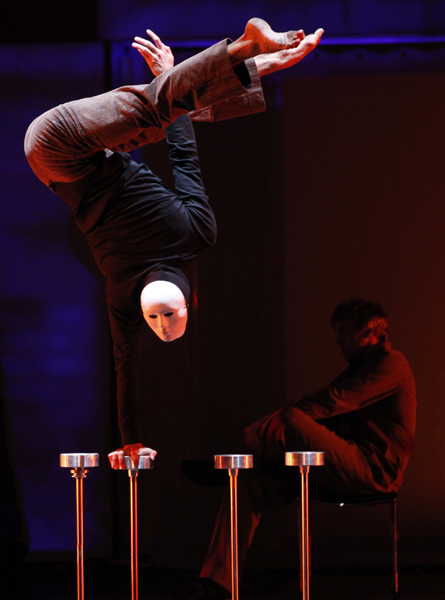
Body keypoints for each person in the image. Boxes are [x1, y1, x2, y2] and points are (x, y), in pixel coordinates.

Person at [24, 19, 324, 468]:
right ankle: (262, 57)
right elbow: (183, 150)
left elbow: (128, 369)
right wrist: (132, 441)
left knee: (160, 106)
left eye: (156, 318)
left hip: (59, 149)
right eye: (169, 316)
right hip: (78, 155)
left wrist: (131, 440)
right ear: (191, 300)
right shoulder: (193, 234)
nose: (160, 323)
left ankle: (246, 47)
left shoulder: (144, 278)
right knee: (172, 112)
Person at [183, 299, 416, 599]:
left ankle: (248, 459)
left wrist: (268, 425)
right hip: (341, 464)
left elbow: (329, 402)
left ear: (369, 330)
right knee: (245, 486)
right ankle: (217, 583)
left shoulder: (391, 363)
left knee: (291, 418)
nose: (338, 340)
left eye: (344, 331)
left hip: (373, 471)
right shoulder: (357, 371)